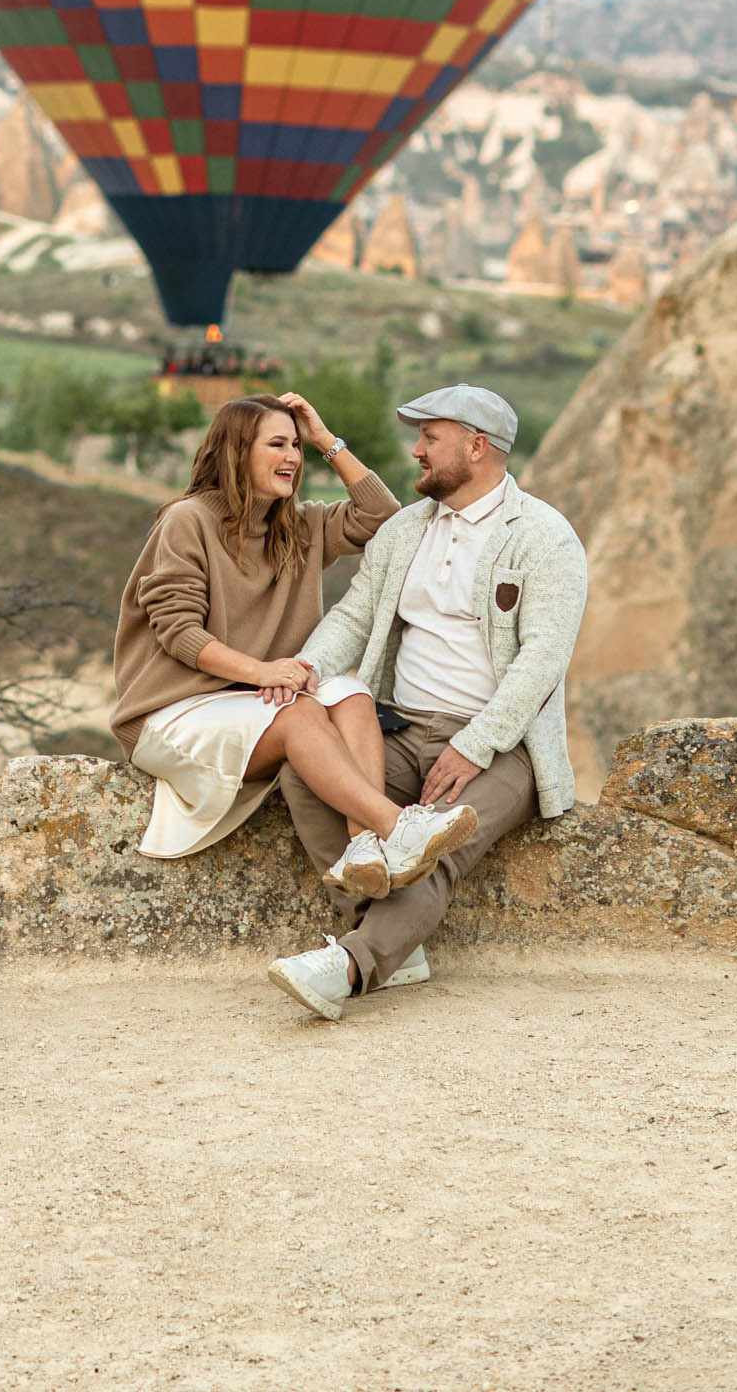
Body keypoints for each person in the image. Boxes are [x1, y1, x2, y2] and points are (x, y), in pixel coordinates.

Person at [266, 382, 588, 1022]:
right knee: (304, 773)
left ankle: (351, 966)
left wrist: (475, 746)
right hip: (402, 727)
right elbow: (354, 618)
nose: (416, 451)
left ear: (477, 447)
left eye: (429, 438)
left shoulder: (545, 536)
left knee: (438, 842)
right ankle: (395, 948)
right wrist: (302, 669)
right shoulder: (404, 531)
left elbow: (543, 661)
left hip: (501, 745)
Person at [113, 391, 451, 887]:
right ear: (237, 452)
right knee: (303, 712)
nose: (292, 457)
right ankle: (396, 827)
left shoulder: (297, 525)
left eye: (295, 445)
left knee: (353, 694)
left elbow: (382, 516)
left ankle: (364, 851)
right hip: (174, 711)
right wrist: (265, 672)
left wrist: (327, 442)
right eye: (277, 444)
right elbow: (180, 634)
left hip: (258, 700)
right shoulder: (188, 521)